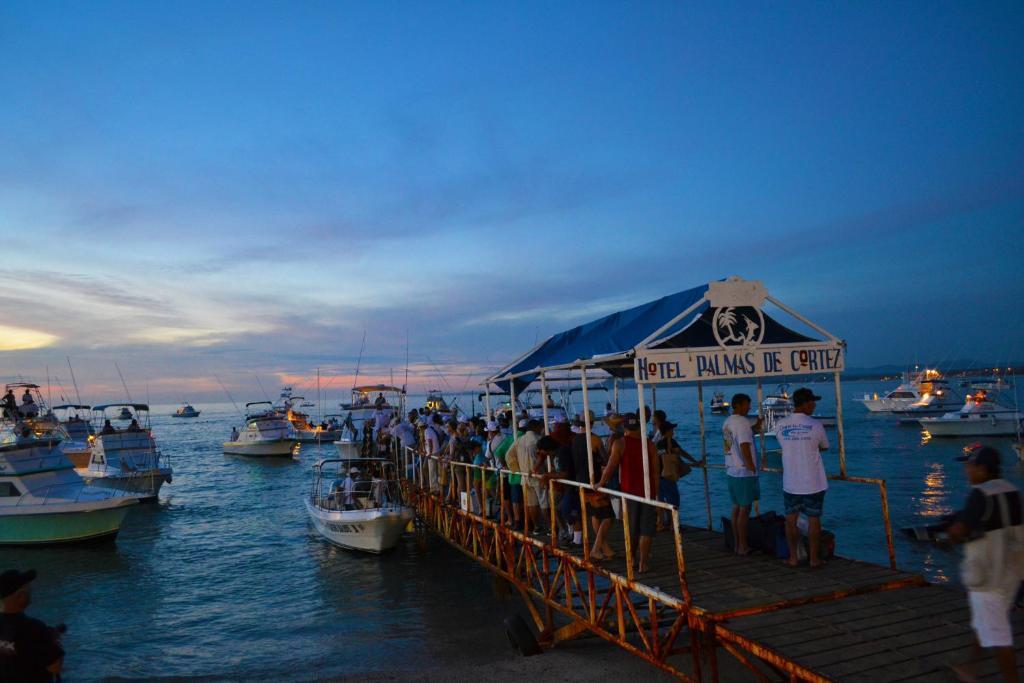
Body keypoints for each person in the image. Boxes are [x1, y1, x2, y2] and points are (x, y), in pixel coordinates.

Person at [946, 445, 1024, 683]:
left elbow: (961, 529)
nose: (966, 471)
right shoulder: (1012, 491)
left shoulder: (980, 494)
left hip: (989, 573)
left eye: (970, 466)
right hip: (1013, 571)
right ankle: (971, 667)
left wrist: (950, 534)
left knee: (998, 635)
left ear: (982, 469)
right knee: (986, 621)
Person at [597, 413, 659, 573]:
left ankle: (631, 559)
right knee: (646, 529)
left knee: (631, 528)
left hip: (629, 492)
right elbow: (656, 472)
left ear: (624, 427)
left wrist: (601, 483)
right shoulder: (650, 444)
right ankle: (643, 563)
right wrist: (656, 493)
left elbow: (611, 466)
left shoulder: (620, 444)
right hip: (648, 492)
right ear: (639, 426)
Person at [776, 388, 829, 568]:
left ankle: (793, 558)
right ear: (805, 403)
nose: (814, 405)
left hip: (791, 481)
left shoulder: (780, 425)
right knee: (814, 519)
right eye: (812, 402)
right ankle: (814, 559)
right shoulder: (816, 425)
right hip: (813, 481)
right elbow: (824, 446)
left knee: (790, 519)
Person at [0, 569, 64, 682]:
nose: (31, 592)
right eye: (29, 589)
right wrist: (55, 642)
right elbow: (55, 668)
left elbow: (10, 647)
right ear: (20, 596)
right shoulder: (34, 628)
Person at [723, 394, 762, 556]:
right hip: (743, 471)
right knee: (745, 510)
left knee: (736, 508)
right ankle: (743, 546)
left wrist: (756, 426)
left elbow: (740, 436)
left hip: (731, 468)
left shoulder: (728, 422)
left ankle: (737, 543)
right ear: (737, 405)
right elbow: (744, 444)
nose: (748, 408)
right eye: (746, 405)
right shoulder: (743, 422)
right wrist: (751, 465)